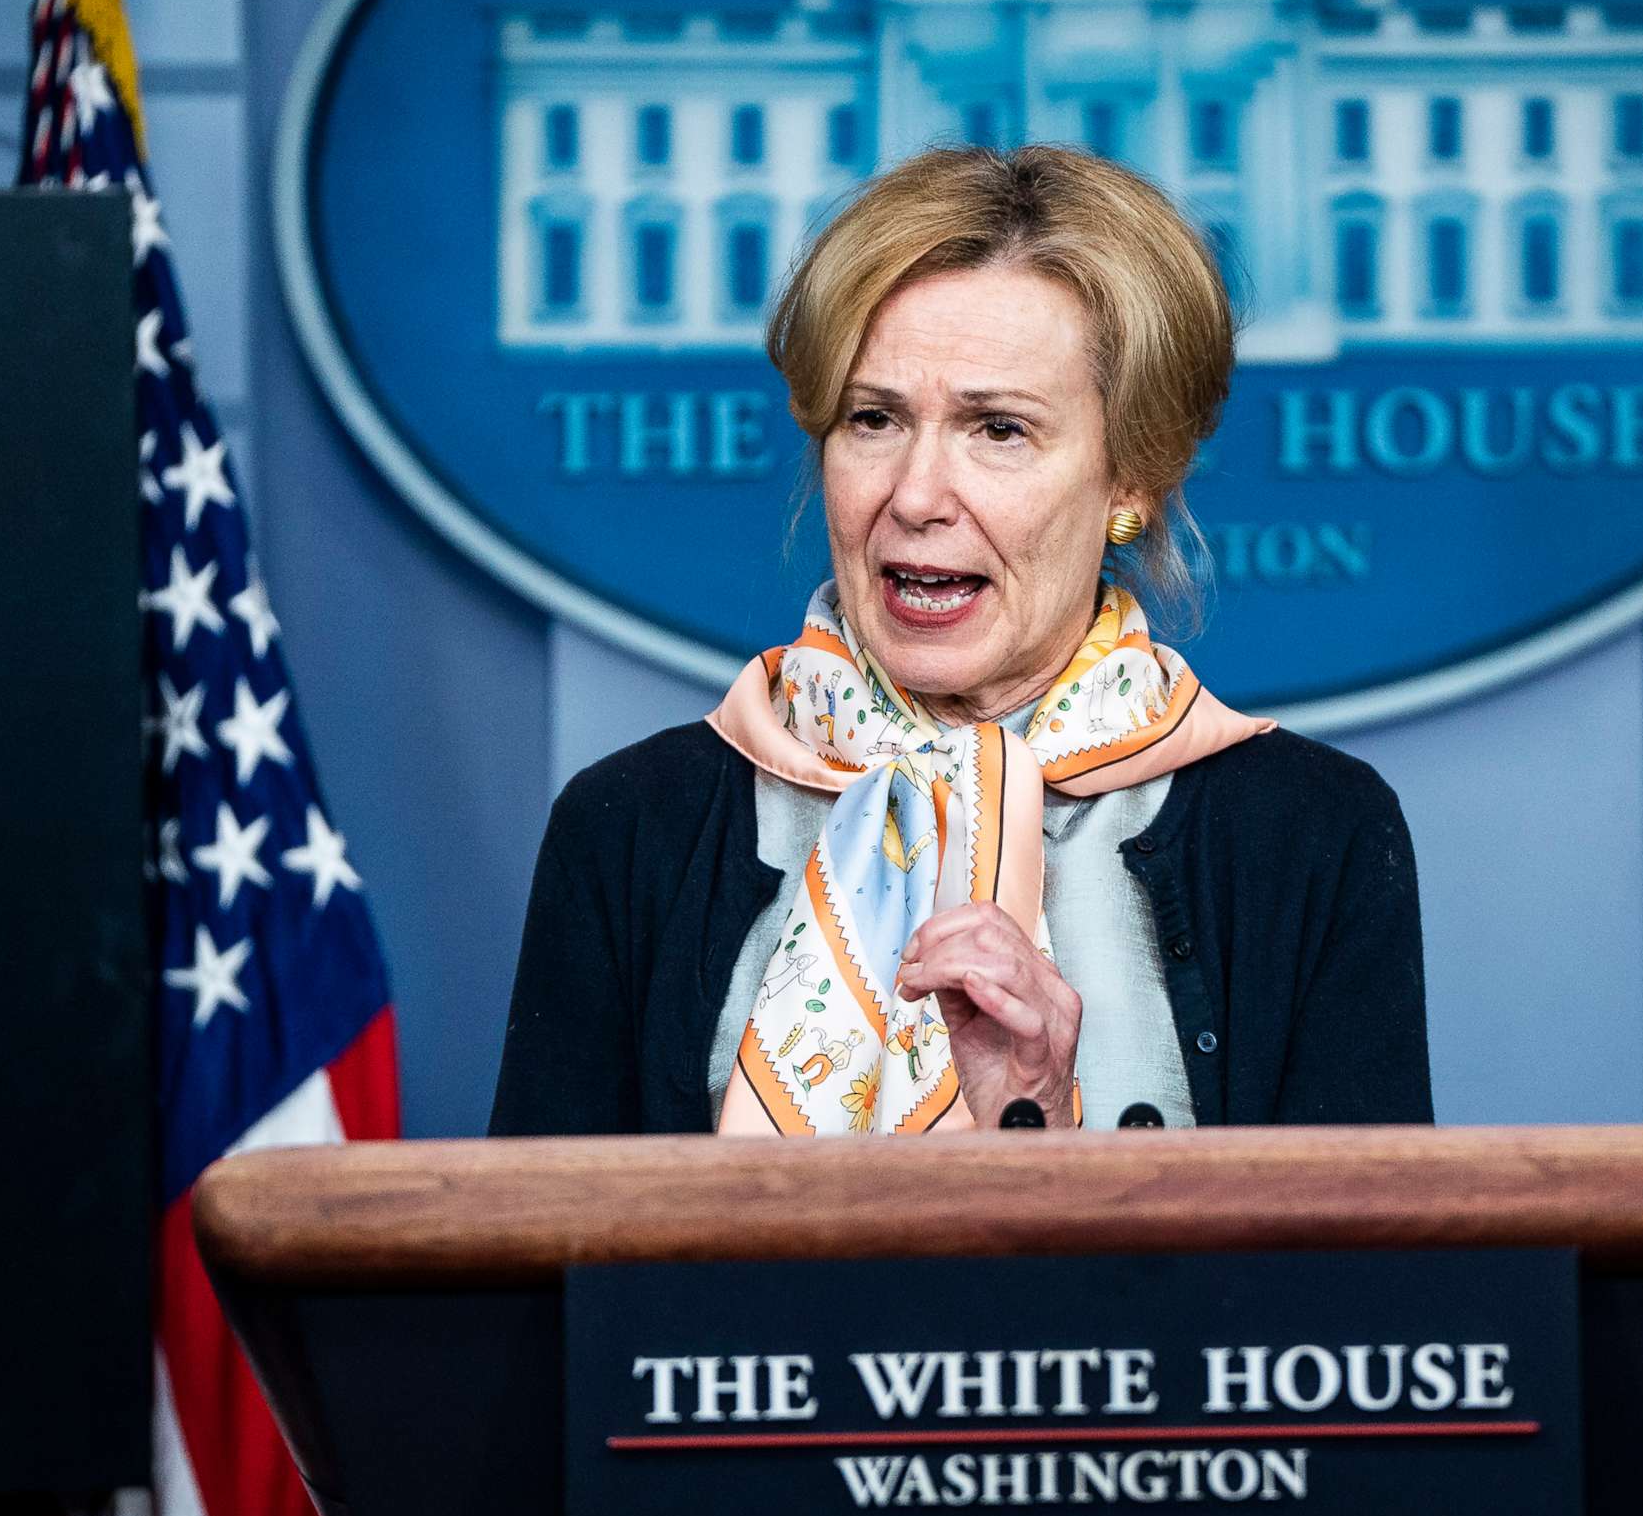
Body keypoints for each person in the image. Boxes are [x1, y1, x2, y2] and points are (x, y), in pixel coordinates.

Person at [489, 143, 1431, 1136]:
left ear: (1130, 481)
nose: (916, 496)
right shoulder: (632, 828)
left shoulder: (1312, 836)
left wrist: (1033, 1125)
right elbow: (545, 1274)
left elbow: (1354, 1286)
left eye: (998, 430)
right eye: (874, 419)